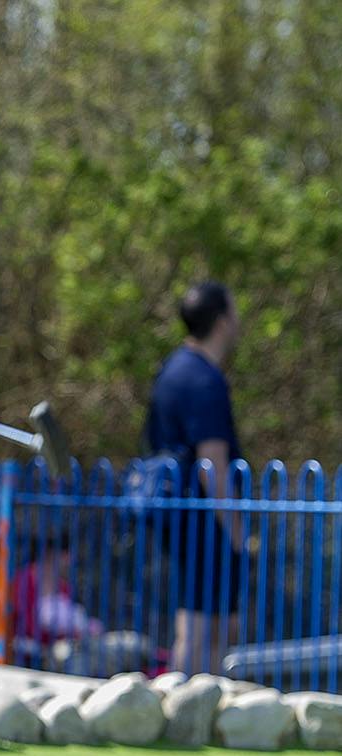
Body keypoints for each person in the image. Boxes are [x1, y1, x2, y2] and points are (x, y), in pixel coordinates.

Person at [142, 281, 245, 675]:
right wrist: (235, 528)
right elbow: (211, 462)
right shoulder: (203, 380)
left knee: (203, 621)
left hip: (181, 511)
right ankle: (191, 710)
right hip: (204, 518)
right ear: (221, 321)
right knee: (202, 629)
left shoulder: (172, 369)